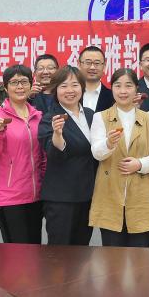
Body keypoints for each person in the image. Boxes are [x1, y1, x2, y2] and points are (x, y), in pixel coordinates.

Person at [89, 68, 149, 248]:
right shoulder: (100, 117)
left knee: (140, 257)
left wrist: (140, 164)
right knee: (112, 258)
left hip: (141, 197)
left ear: (136, 89)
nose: (123, 91)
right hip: (110, 195)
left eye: (128, 86)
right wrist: (108, 143)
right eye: (118, 86)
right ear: (112, 89)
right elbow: (96, 153)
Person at [0, 65, 45, 243]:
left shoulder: (38, 116)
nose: (19, 87)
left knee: (34, 249)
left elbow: (43, 155)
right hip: (10, 197)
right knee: (16, 251)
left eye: (24, 82)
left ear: (31, 85)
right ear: (5, 87)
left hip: (36, 195)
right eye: (14, 82)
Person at [38, 66, 96, 246]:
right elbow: (53, 153)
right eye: (63, 86)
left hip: (88, 195)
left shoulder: (91, 115)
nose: (70, 90)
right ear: (55, 90)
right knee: (59, 253)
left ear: (82, 88)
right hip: (61, 199)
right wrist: (58, 134)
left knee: (82, 251)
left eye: (75, 85)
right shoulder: (50, 118)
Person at [78, 45, 114, 112]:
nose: (92, 67)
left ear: (104, 66)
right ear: (79, 65)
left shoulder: (113, 96)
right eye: (88, 63)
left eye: (97, 63)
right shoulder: (71, 94)